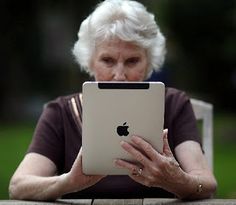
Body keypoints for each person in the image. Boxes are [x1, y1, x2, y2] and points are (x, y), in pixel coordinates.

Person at [9, 0, 217, 201]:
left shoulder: (174, 105)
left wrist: (177, 181)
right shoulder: (60, 113)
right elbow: (18, 186)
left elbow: (206, 184)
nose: (119, 75)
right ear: (90, 61)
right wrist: (69, 182)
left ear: (149, 62)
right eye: (107, 60)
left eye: (132, 61)